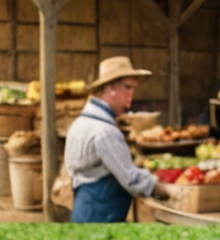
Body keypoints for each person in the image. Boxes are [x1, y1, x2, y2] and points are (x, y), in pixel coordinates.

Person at [63, 56, 172, 223]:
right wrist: (159, 188)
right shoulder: (105, 132)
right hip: (100, 216)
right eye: (127, 88)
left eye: (133, 89)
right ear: (110, 88)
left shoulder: (81, 123)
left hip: (84, 210)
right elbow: (130, 178)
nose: (131, 95)